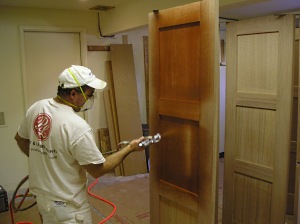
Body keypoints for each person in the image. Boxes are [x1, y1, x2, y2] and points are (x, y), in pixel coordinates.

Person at [14, 65, 145, 224]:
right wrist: (130, 148)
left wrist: (43, 158)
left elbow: (20, 138)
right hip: (69, 208)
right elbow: (98, 169)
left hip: (43, 199)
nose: (89, 100)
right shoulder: (77, 126)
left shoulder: (37, 107)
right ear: (74, 93)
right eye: (89, 95)